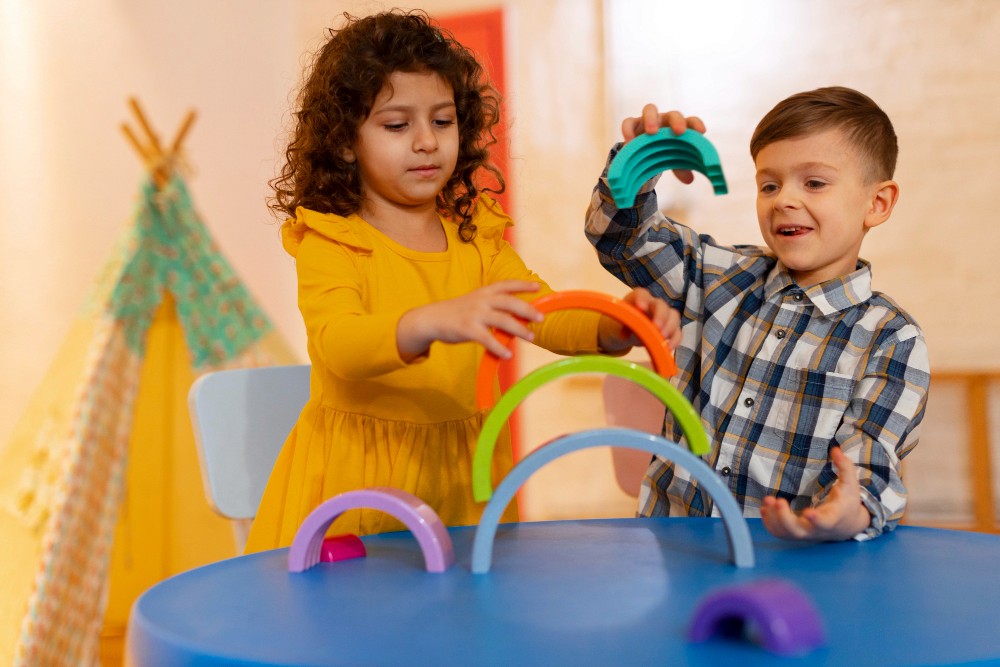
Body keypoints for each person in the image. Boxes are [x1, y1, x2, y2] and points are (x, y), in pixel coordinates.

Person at [244, 10, 681, 552]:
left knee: (462, 623)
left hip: (462, 477)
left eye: (443, 121)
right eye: (397, 125)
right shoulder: (333, 240)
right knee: (360, 625)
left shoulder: (476, 240)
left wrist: (620, 325)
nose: (427, 142)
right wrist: (431, 321)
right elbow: (340, 345)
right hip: (358, 484)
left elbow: (544, 312)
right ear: (344, 142)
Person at [585, 87, 930, 541]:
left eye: (814, 183)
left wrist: (850, 511)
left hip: (796, 568)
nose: (783, 199)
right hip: (670, 553)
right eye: (769, 184)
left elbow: (869, 466)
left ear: (877, 203)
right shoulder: (715, 276)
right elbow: (620, 240)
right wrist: (636, 163)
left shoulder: (892, 339)